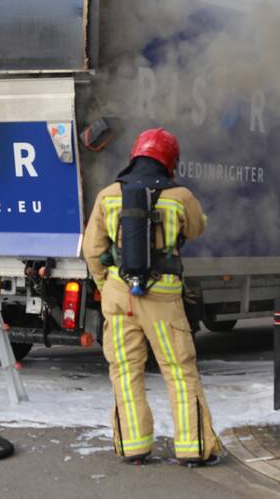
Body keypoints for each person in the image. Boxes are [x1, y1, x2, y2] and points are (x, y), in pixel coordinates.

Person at [82, 127, 220, 466]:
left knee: (126, 372)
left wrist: (106, 286)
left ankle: (134, 446)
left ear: (135, 156)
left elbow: (91, 249)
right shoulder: (180, 196)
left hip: (118, 297)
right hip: (162, 300)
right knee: (178, 370)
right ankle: (193, 448)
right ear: (169, 161)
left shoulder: (108, 195)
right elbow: (198, 227)